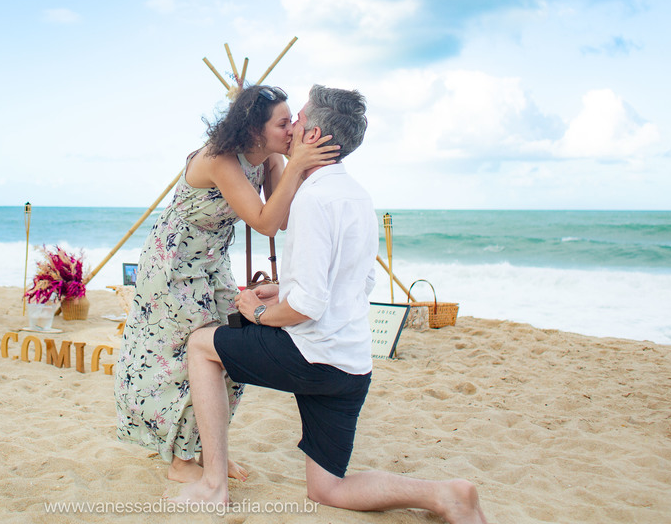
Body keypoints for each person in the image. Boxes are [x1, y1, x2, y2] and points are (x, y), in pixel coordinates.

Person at [170, 86, 491, 524]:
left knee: (201, 346)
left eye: (297, 119)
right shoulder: (357, 194)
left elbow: (307, 306)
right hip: (352, 367)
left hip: (311, 359)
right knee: (327, 489)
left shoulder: (313, 198)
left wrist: (259, 312)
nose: (292, 127)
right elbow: (353, 280)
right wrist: (281, 288)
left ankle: (213, 483)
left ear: (315, 134)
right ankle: (445, 495)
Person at [114, 84, 340, 484]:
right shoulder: (219, 159)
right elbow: (265, 221)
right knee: (182, 359)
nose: (292, 131)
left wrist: (294, 164)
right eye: (283, 124)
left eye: (292, 122)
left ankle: (209, 452)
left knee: (228, 354)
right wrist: (299, 163)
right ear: (255, 130)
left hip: (212, 264)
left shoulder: (268, 157)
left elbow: (282, 216)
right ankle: (182, 460)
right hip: (173, 267)